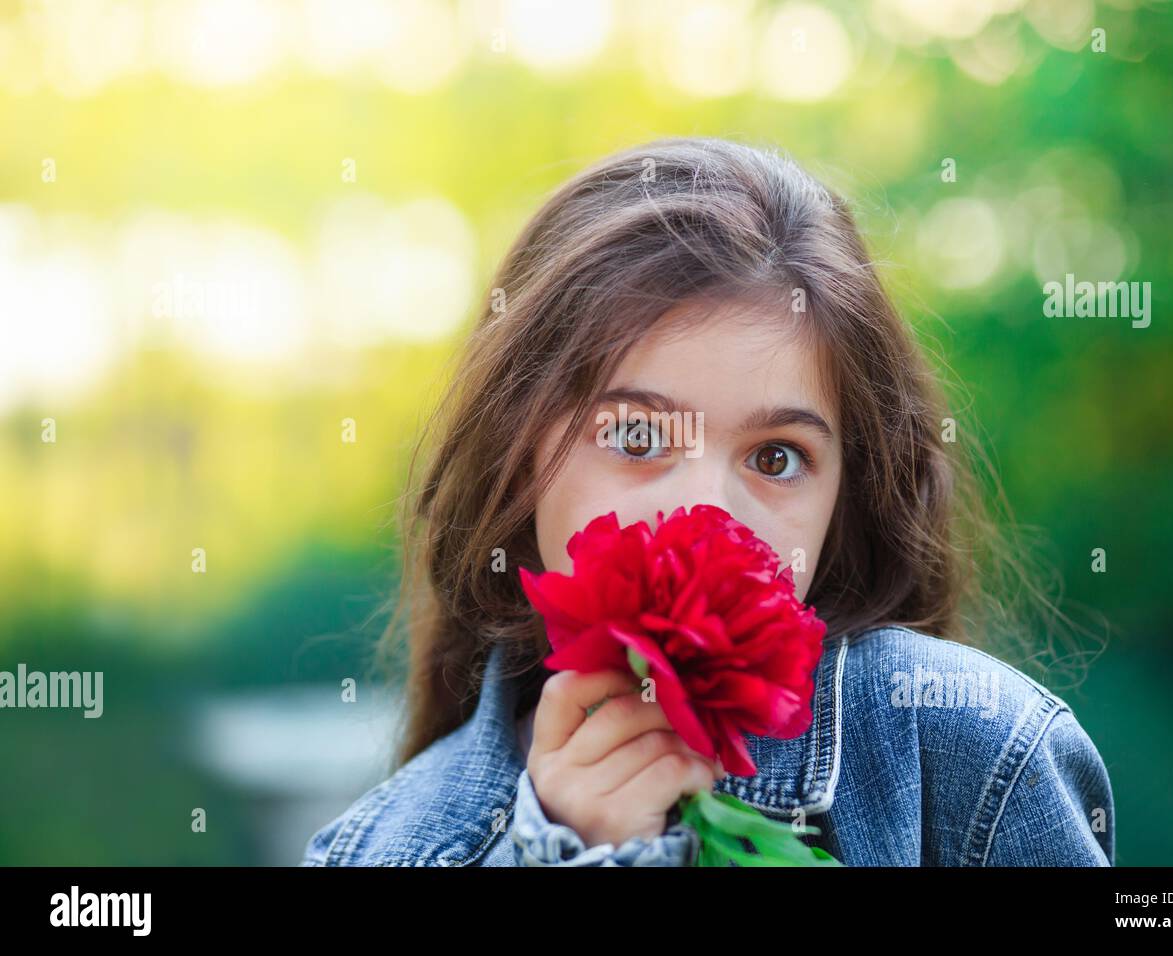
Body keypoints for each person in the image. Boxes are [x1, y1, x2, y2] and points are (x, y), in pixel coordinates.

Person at [301, 136, 1114, 867]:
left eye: (774, 457)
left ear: (846, 502)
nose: (705, 514)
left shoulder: (972, 753)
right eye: (638, 439)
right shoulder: (382, 851)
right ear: (518, 460)